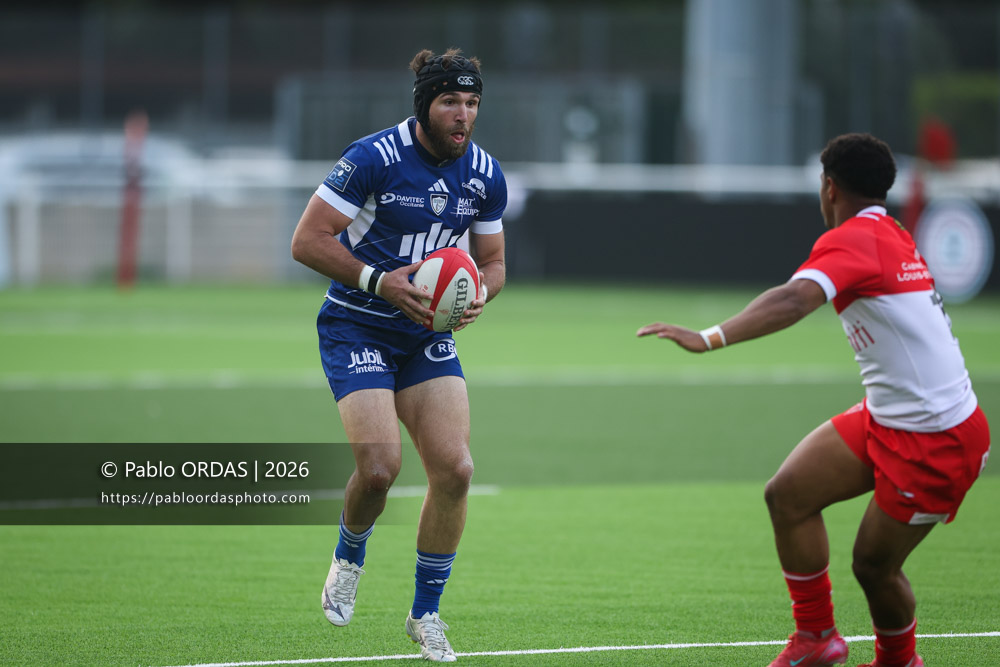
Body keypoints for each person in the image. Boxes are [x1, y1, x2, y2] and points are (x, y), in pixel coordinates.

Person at [637, 133, 990, 667]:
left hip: (936, 437)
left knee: (874, 567)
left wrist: (709, 337)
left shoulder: (853, 239)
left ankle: (900, 661)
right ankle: (816, 638)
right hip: (890, 418)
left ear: (828, 187)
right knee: (788, 495)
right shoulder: (888, 231)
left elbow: (795, 298)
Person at [291, 47, 507, 663]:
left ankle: (426, 614)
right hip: (358, 326)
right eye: (450, 102)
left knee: (456, 470)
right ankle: (349, 554)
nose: (462, 114)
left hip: (424, 335)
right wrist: (382, 282)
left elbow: (492, 264)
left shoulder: (485, 174)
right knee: (381, 468)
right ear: (425, 105)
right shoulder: (373, 159)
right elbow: (306, 241)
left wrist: (476, 297)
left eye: (471, 102)